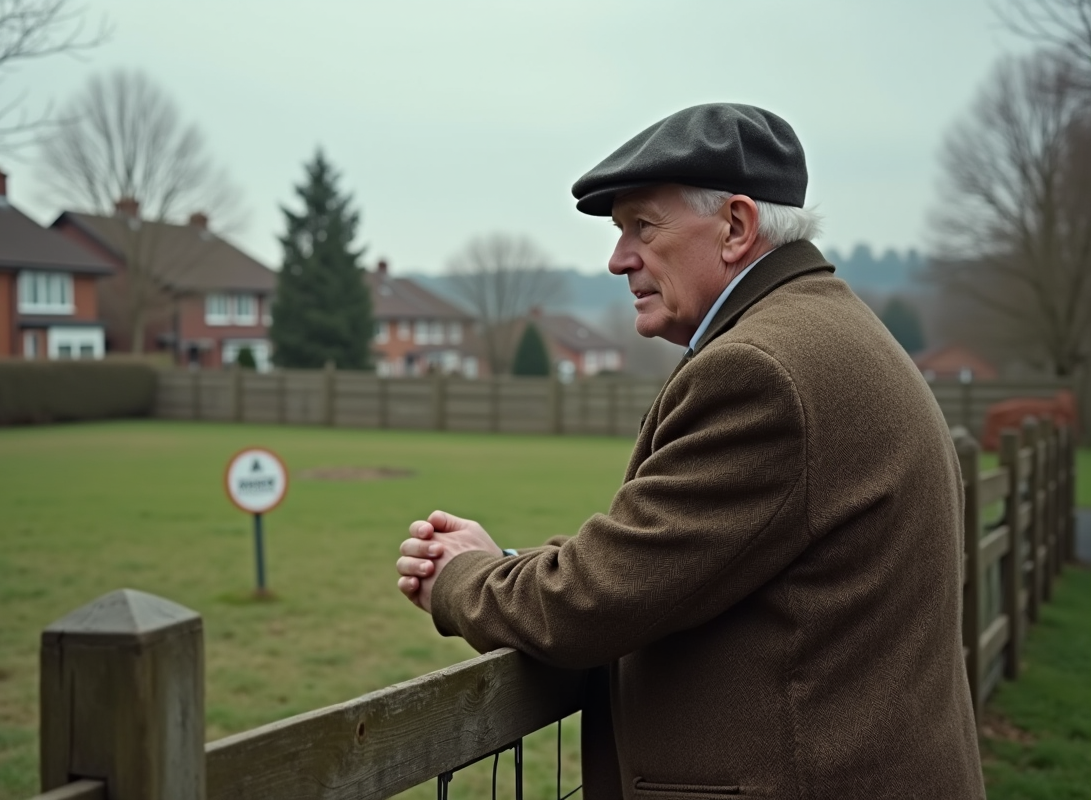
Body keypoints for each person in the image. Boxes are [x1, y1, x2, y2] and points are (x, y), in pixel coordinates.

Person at [396, 103, 984, 800]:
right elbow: (673, 565)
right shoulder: (826, 329)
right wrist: (509, 567)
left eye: (641, 227)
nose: (617, 260)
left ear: (735, 226)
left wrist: (463, 580)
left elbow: (595, 602)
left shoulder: (763, 372)